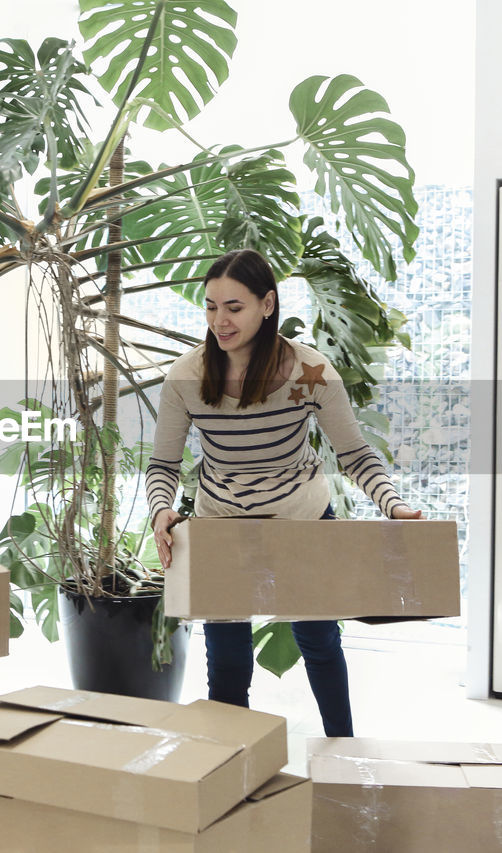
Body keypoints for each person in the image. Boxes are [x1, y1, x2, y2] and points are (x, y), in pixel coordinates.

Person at [148, 248, 421, 737]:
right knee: (227, 660)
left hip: (302, 517)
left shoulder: (309, 372)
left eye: (234, 307)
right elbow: (164, 464)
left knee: (319, 642)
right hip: (222, 524)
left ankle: (343, 749)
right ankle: (230, 763)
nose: (220, 320)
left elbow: (355, 454)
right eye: (211, 307)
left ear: (267, 305)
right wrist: (161, 509)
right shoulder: (187, 377)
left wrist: (394, 504)